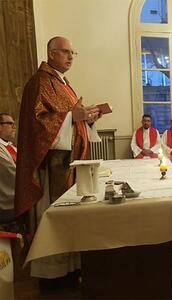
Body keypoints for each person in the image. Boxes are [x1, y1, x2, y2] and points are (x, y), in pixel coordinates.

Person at [15, 36, 101, 286]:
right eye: (65, 52)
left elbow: (71, 119)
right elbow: (37, 124)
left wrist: (87, 118)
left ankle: (71, 268)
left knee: (70, 217)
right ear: (51, 54)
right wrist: (71, 117)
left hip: (68, 164)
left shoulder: (62, 84)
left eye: (73, 52)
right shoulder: (39, 83)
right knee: (53, 217)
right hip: (50, 168)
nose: (70, 56)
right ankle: (52, 277)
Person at [0, 113, 16, 224]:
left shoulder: (12, 147)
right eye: (10, 124)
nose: (14, 127)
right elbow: (10, 171)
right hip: (6, 204)